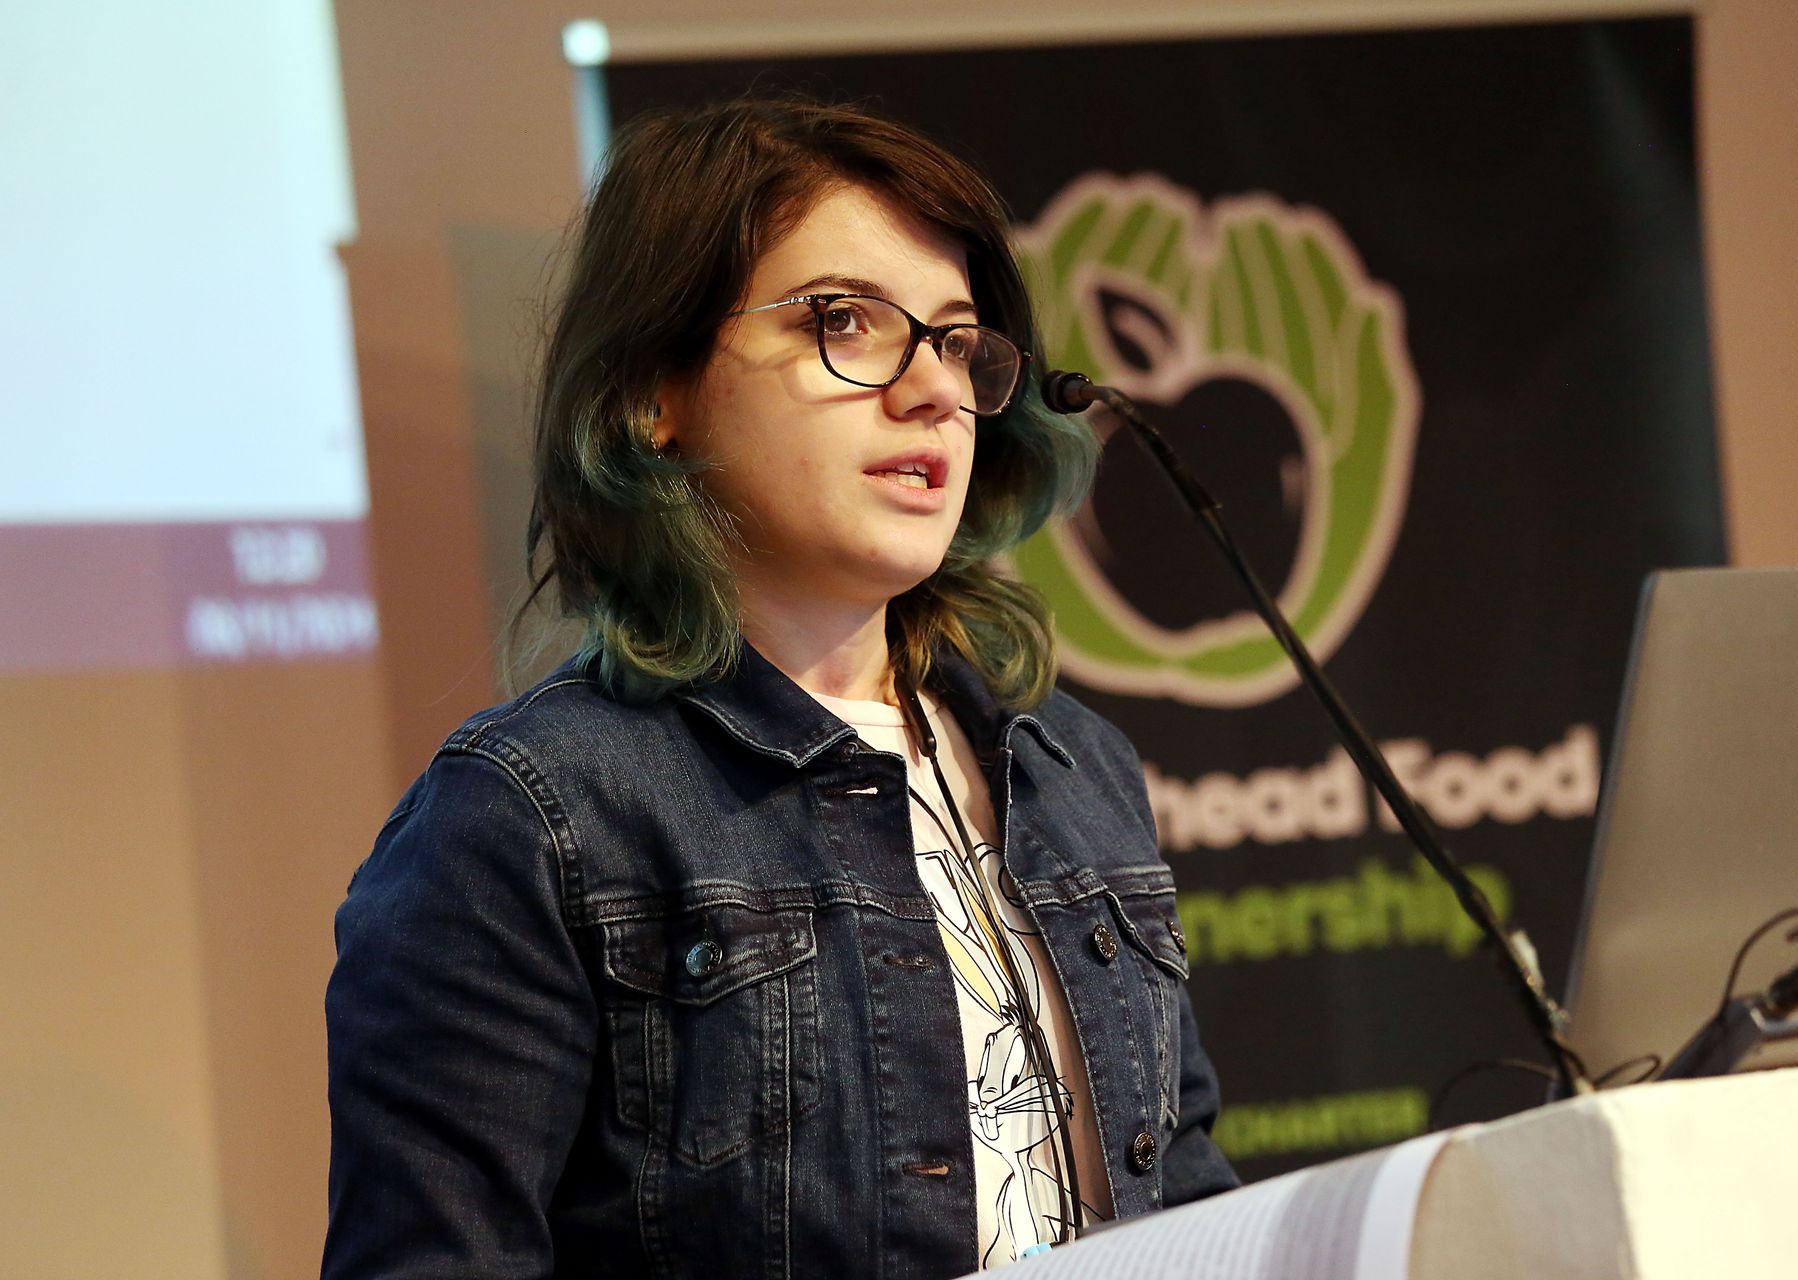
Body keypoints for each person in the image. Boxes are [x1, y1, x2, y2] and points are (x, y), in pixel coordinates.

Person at [323, 97, 1238, 1279]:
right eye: (844, 321)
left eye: (956, 341)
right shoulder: (531, 816)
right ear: (655, 390)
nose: (931, 392)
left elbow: (1188, 1191)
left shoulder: (1069, 765)